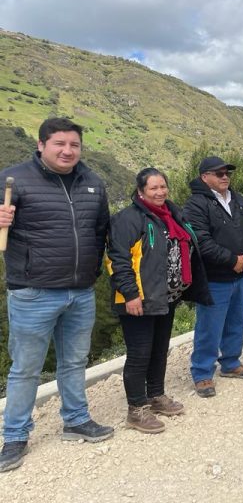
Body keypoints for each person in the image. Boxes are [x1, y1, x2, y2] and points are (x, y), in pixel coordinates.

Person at [0, 118, 113, 473]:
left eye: (74, 144)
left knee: (75, 361)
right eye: (59, 144)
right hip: (33, 292)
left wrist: (93, 274)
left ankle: (76, 420)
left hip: (80, 291)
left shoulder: (93, 182)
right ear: (41, 145)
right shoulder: (13, 180)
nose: (67, 151)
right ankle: (14, 436)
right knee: (26, 369)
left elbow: (101, 231)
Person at [107, 168, 212, 433]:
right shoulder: (127, 219)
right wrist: (130, 294)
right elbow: (118, 260)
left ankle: (156, 395)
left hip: (165, 296)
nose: (160, 192)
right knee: (139, 354)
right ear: (140, 191)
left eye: (163, 186)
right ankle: (136, 410)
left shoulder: (172, 214)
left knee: (159, 349)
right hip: (138, 299)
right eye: (153, 188)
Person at [183, 156, 243, 398]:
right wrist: (233, 260)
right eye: (219, 173)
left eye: (227, 172)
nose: (225, 176)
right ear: (204, 177)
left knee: (236, 321)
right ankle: (202, 373)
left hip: (239, 276)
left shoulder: (238, 199)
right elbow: (202, 241)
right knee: (209, 326)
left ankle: (230, 362)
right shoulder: (195, 205)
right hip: (214, 278)